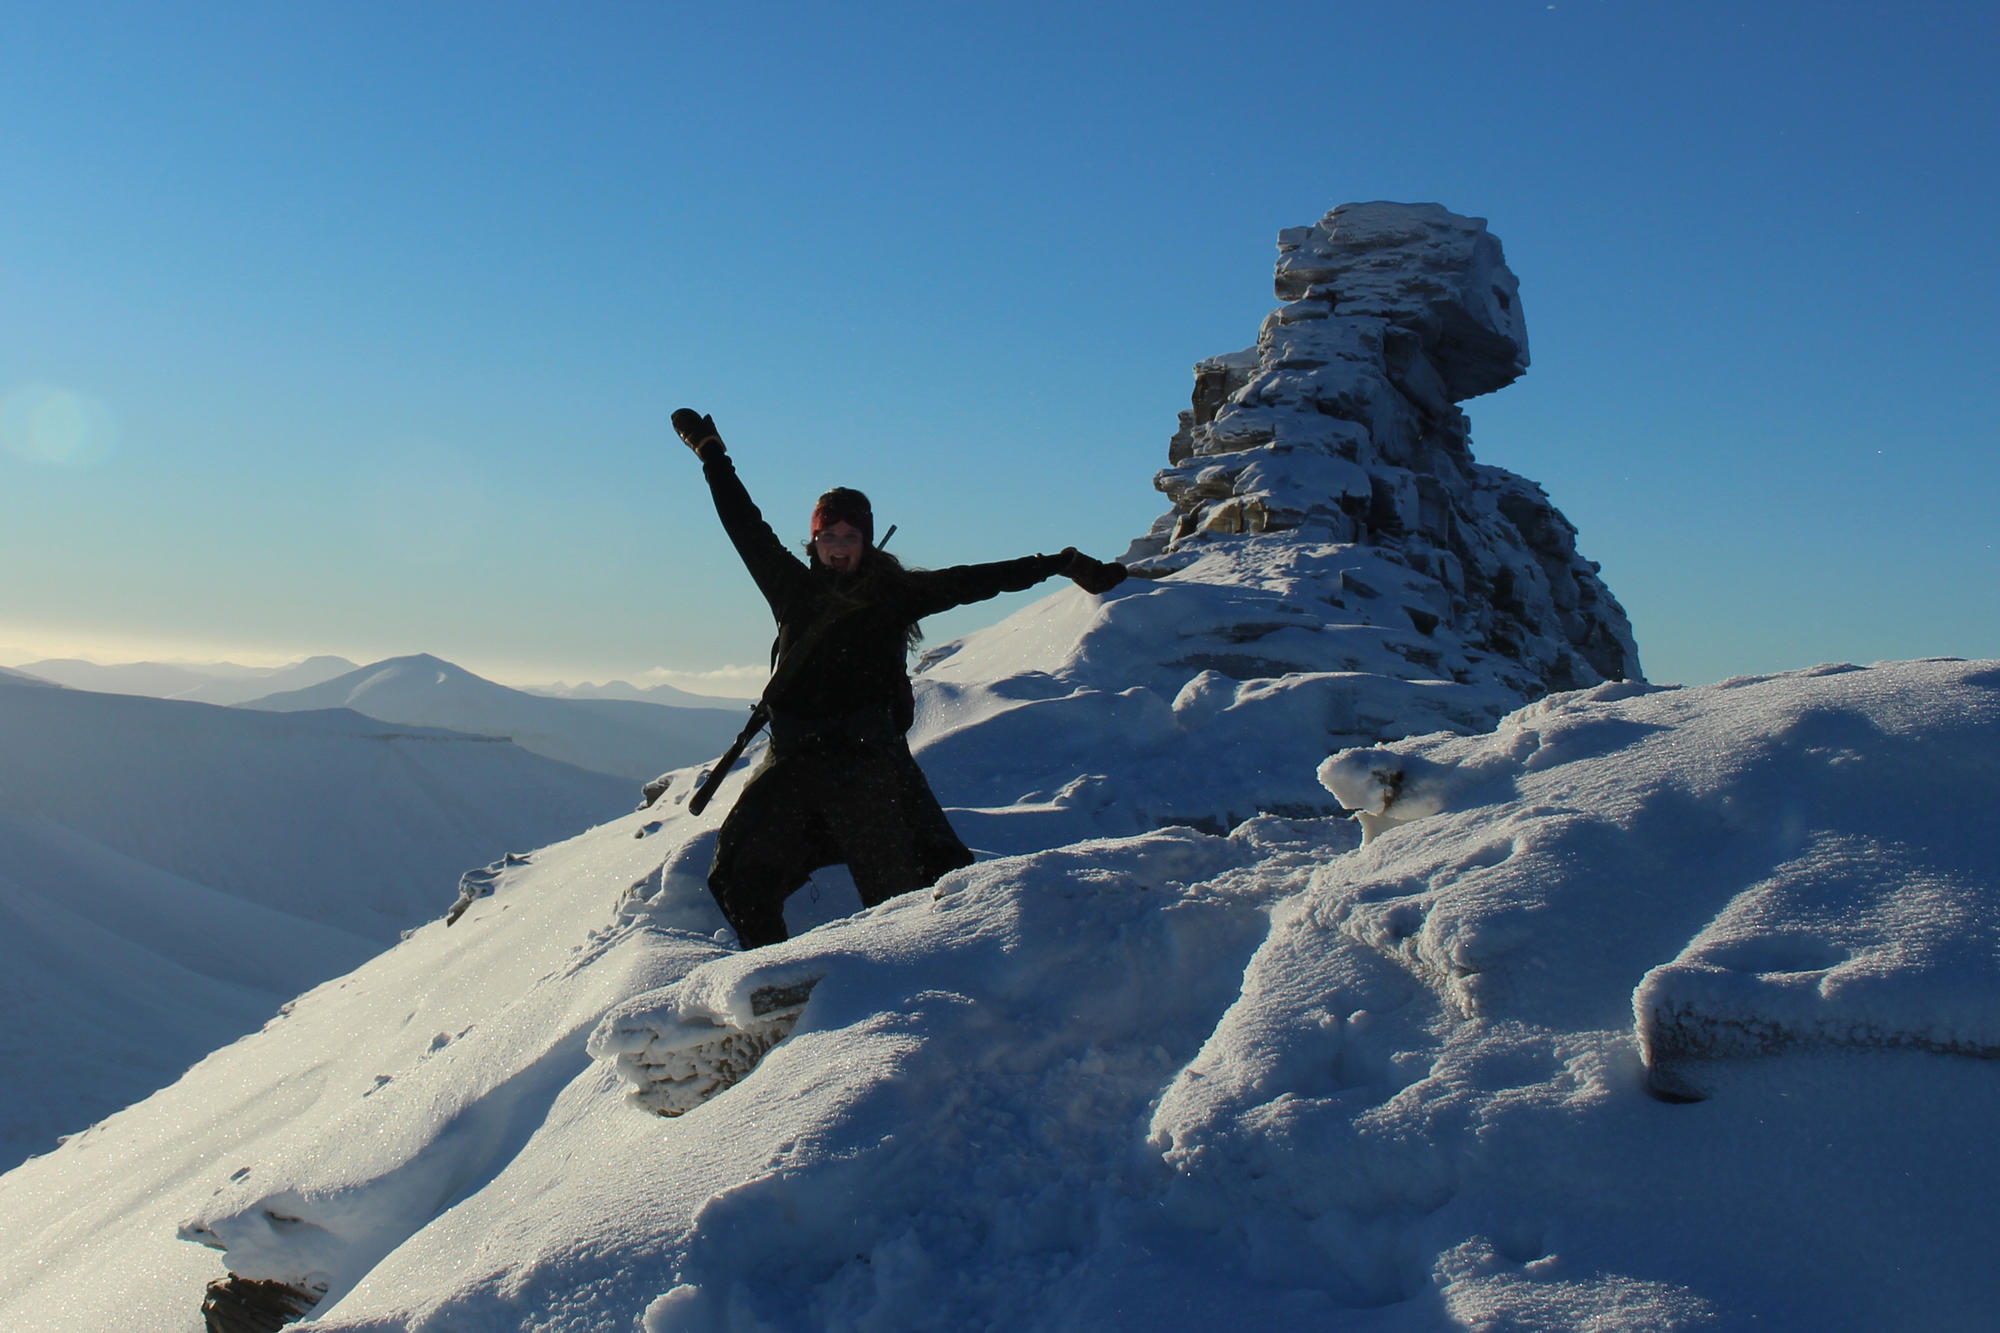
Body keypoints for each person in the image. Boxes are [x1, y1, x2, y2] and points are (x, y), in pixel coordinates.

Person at [672, 407, 1127, 949]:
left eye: (849, 535)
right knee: (740, 875)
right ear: (812, 541)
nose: (838, 545)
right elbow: (744, 523)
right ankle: (772, 974)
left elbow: (974, 581)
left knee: (900, 895)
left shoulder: (895, 596)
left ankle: (902, 989)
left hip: (869, 766)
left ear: (866, 540)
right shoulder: (792, 588)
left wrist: (1057, 562)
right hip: (793, 762)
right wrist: (712, 453)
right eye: (827, 535)